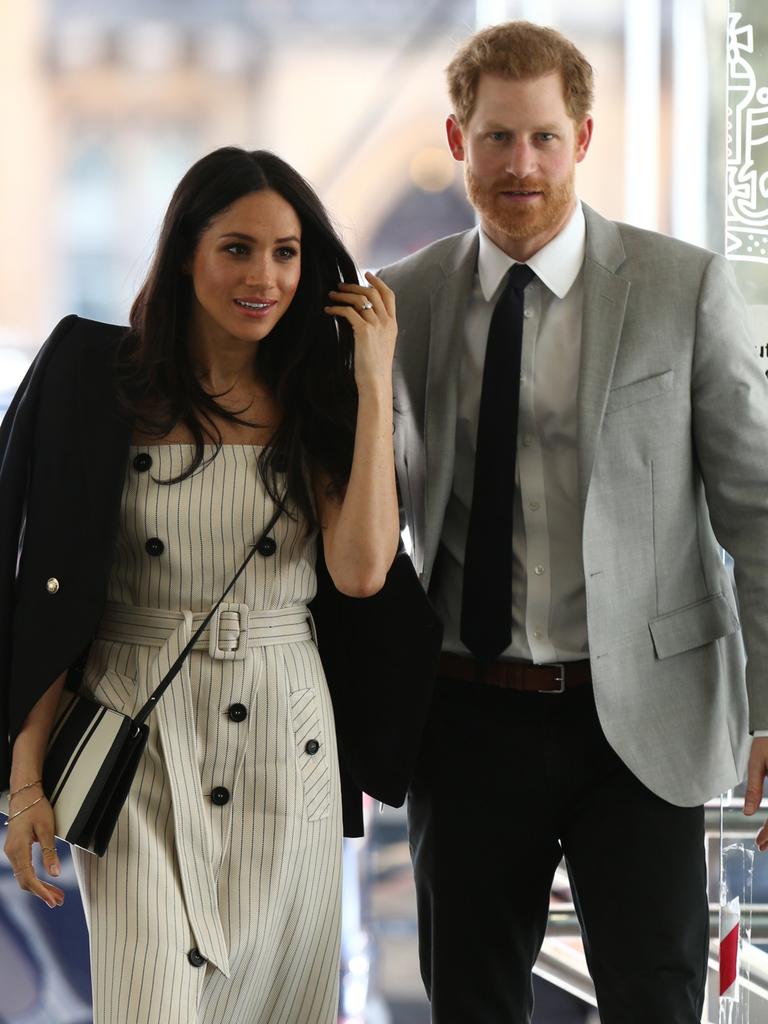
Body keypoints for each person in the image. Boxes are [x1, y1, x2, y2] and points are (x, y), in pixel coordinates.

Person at [379, 20, 768, 1024]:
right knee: (471, 1005)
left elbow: (758, 514)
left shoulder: (682, 289)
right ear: (458, 140)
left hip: (639, 720)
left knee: (657, 1001)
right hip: (464, 720)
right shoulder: (403, 303)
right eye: (498, 137)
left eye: (545, 137)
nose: (523, 164)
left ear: (584, 139)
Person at [0, 146, 440, 1024]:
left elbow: (360, 573)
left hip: (290, 743)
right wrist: (24, 784)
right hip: (138, 735)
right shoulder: (100, 383)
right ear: (185, 251)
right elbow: (47, 593)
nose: (264, 277)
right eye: (237, 248)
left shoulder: (321, 397)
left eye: (286, 253)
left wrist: (371, 373)